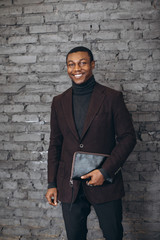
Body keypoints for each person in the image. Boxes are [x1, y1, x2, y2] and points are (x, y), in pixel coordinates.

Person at [45, 46, 136, 240]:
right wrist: (52, 183)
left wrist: (105, 171)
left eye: (82, 63)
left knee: (113, 235)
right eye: (71, 64)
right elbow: (55, 145)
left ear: (92, 65)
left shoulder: (112, 98)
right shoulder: (58, 102)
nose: (76, 68)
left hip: (105, 183)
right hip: (70, 186)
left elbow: (128, 137)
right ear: (67, 68)